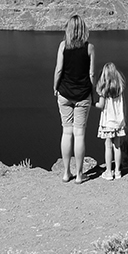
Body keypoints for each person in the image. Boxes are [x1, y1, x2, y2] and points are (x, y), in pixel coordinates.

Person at [52, 14, 96, 183]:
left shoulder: (63, 46)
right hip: (83, 95)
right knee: (79, 134)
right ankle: (79, 175)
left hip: (64, 94)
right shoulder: (90, 48)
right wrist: (92, 94)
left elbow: (58, 70)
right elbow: (91, 74)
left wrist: (55, 87)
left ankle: (65, 173)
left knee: (66, 131)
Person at [94, 62, 127, 180]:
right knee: (117, 146)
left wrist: (92, 103)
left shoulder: (103, 90)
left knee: (108, 146)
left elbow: (101, 106)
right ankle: (117, 171)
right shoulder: (119, 89)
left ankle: (108, 172)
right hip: (118, 122)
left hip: (108, 122)